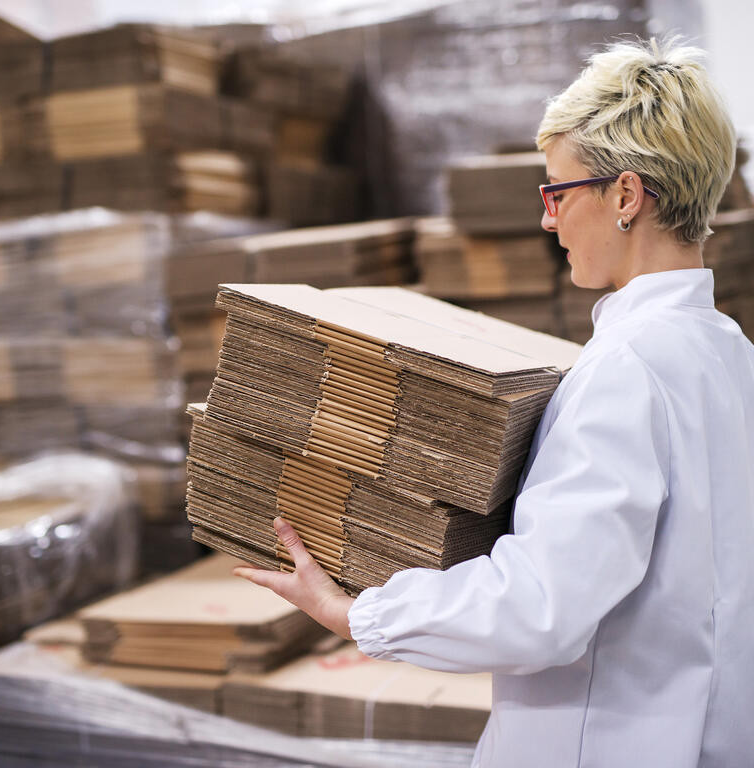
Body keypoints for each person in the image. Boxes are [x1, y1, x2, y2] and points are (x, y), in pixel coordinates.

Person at [233, 37, 754, 767]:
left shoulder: (628, 371)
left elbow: (541, 608)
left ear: (626, 196)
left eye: (557, 192)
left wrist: (358, 614)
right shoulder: (729, 352)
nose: (548, 221)